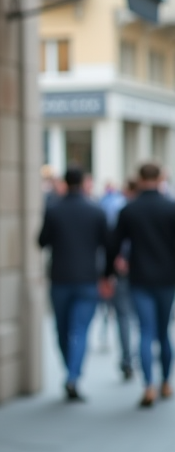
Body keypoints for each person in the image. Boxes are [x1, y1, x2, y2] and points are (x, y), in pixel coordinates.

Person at [37, 167, 110, 402]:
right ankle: (73, 376)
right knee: (80, 330)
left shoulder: (54, 209)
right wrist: (106, 275)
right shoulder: (96, 210)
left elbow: (41, 241)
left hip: (60, 278)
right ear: (85, 182)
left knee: (62, 330)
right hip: (87, 279)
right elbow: (108, 245)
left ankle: (70, 371)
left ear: (65, 183)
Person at [106, 162, 175, 407]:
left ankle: (148, 386)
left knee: (145, 331)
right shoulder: (170, 207)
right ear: (160, 178)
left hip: (140, 279)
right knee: (163, 332)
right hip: (167, 280)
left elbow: (113, 246)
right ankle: (166, 381)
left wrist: (108, 273)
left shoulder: (129, 210)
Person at [100, 180, 135, 380]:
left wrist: (108, 272)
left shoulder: (124, 211)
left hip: (125, 271)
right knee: (142, 322)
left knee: (124, 317)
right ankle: (134, 359)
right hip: (152, 276)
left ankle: (128, 359)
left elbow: (113, 244)